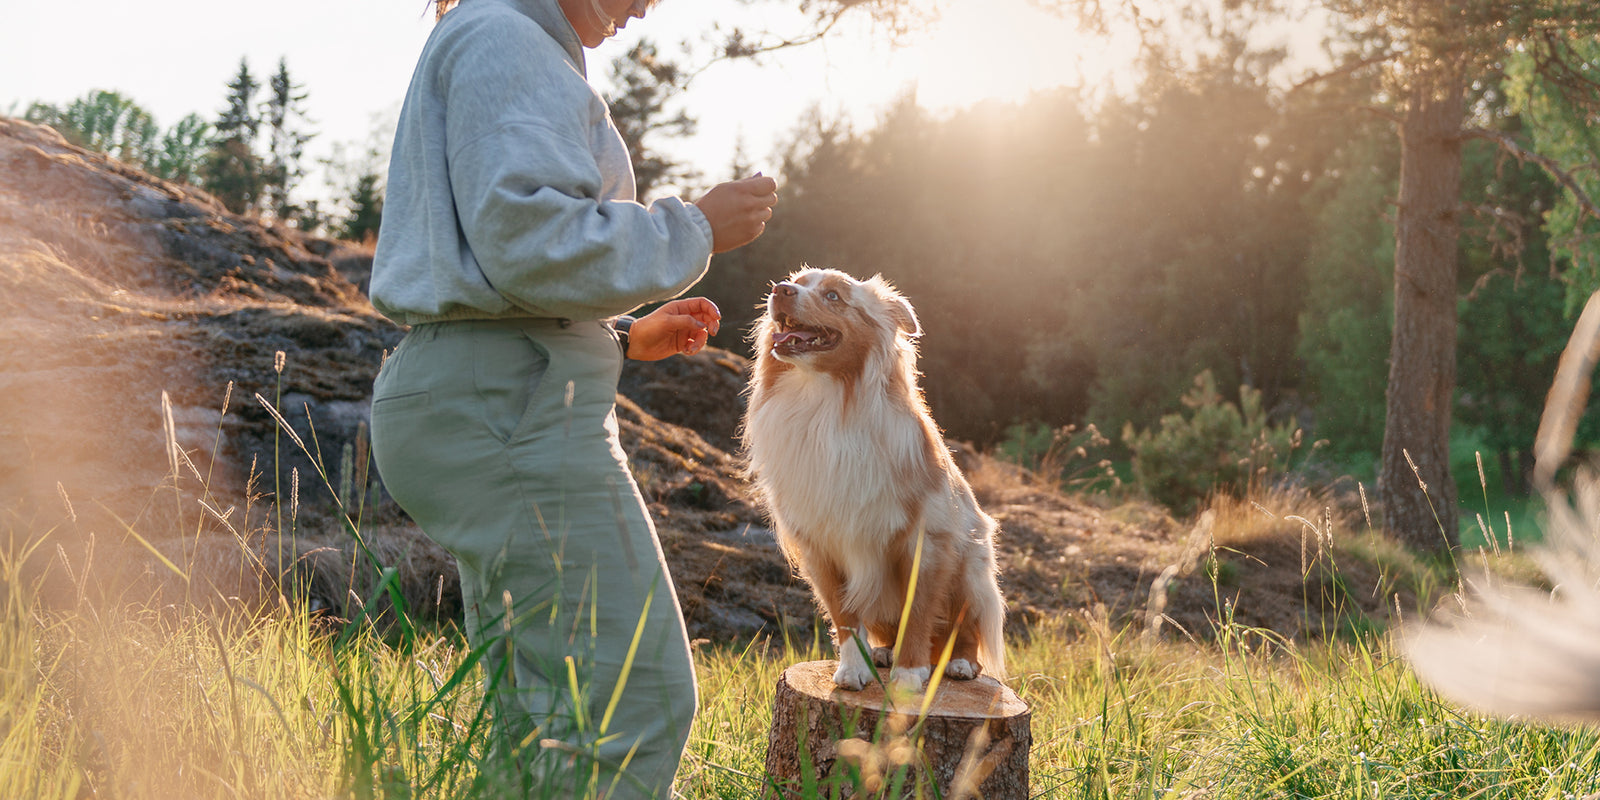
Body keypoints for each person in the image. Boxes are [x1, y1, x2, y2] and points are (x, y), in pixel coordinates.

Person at [365, 0, 778, 795]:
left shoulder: (507, 40)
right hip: (508, 412)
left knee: (544, 723)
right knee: (632, 705)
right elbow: (527, 239)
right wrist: (693, 227)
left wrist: (616, 338)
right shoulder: (505, 38)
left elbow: (499, 259)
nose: (647, 3)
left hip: (497, 400)